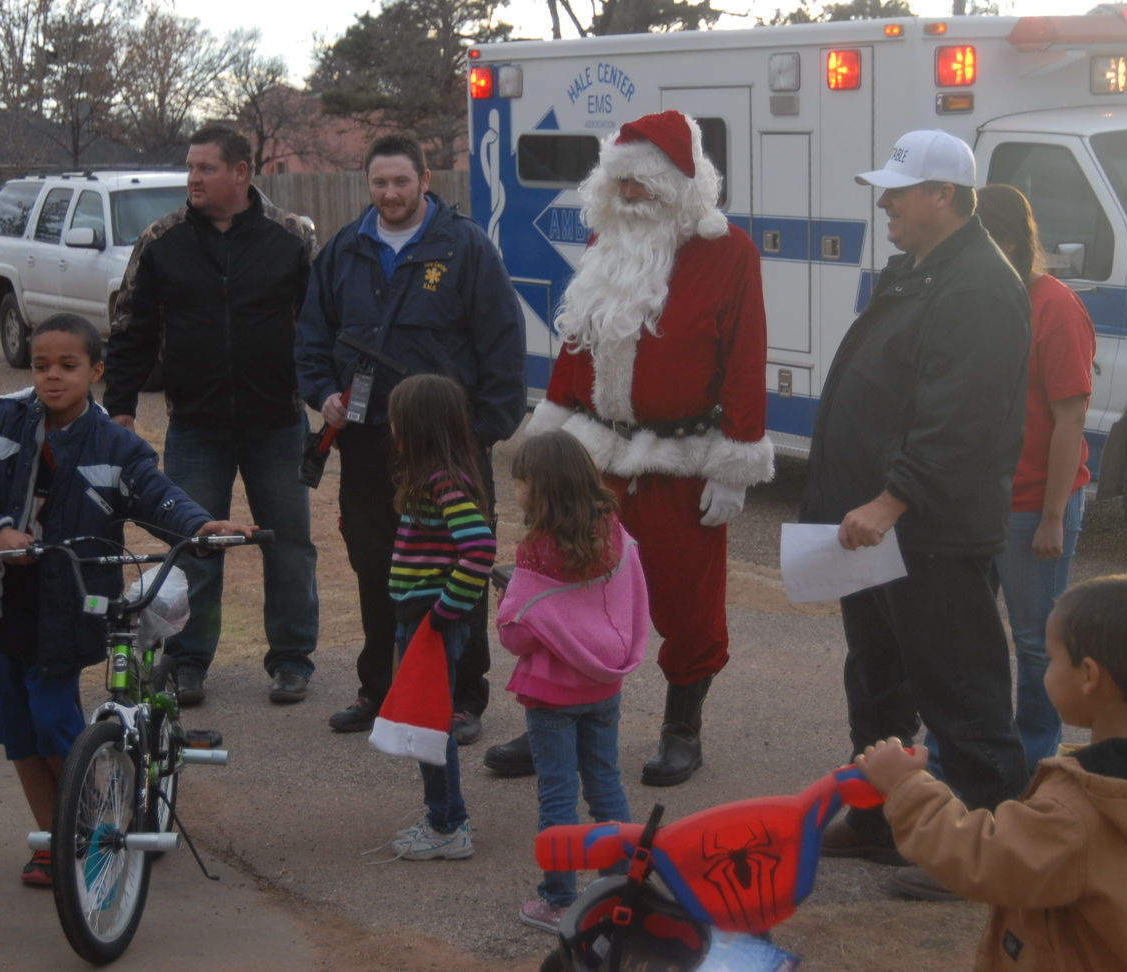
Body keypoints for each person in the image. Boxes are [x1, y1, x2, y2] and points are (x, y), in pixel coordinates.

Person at [494, 109, 771, 788]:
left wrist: (735, 460)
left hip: (680, 459)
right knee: (567, 584)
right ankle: (554, 721)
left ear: (683, 185)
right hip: (595, 456)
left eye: (644, 186)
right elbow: (577, 339)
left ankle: (682, 730)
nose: (632, 198)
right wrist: (548, 432)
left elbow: (744, 358)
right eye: (623, 185)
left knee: (688, 599)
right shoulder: (607, 240)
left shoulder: (728, 253)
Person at [0, 315, 249, 886]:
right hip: (1, 599)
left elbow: (156, 495)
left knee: (52, 718)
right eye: (41, 365)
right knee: (19, 733)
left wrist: (197, 527)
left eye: (68, 366)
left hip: (72, 600)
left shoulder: (116, 444)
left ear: (96, 371)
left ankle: (93, 819)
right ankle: (55, 839)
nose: (52, 377)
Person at [799, 130, 1032, 900]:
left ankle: (980, 845)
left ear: (944, 197)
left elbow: (956, 420)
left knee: (959, 687)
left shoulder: (980, 288)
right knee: (877, 678)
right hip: (877, 528)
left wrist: (891, 498)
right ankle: (883, 819)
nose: (886, 201)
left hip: (926, 529)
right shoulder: (919, 270)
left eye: (900, 189)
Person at [295, 134, 525, 744]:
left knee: (458, 566)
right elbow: (312, 338)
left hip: (449, 445)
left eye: (402, 181)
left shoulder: (465, 246)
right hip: (368, 442)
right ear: (366, 185)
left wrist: (482, 436)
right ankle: (379, 688)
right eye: (379, 183)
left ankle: (462, 697)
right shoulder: (345, 250)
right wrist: (324, 396)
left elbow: (502, 342)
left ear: (425, 180)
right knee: (377, 564)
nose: (391, 194)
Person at [856, 574, 1127, 969]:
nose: (1044, 671)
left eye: (1052, 660)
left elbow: (983, 857)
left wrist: (906, 788)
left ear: (1088, 676)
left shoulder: (1078, 811)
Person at [103, 124, 318, 708]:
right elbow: (130, 331)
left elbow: (320, 325)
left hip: (277, 423)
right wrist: (118, 408)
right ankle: (189, 660)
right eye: (191, 168)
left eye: (205, 168)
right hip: (196, 426)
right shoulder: (161, 240)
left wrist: (326, 392)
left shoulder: (292, 238)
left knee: (290, 544)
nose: (193, 179)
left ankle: (292, 659)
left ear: (241, 172)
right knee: (192, 545)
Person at [496, 430, 648, 933]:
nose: (514, 491)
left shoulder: (537, 551)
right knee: (606, 785)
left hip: (552, 696)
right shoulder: (614, 532)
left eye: (519, 483)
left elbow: (516, 634)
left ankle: (559, 899)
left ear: (541, 490)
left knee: (557, 794)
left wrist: (509, 606)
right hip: (605, 688)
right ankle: (622, 888)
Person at [979, 183, 1096, 775]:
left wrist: (1052, 516)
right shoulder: (982, 298)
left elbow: (1070, 416)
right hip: (981, 501)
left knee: (1034, 642)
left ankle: (1036, 762)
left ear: (1006, 241)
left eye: (981, 240)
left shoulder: (1053, 305)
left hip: (1032, 507)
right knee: (974, 637)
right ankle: (979, 750)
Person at [381, 374, 496, 860]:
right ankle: (445, 817)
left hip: (432, 622)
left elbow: (479, 547)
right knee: (427, 723)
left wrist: (445, 611)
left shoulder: (443, 480)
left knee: (431, 727)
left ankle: (448, 825)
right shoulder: (429, 476)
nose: (391, 428)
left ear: (418, 425)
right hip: (420, 617)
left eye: (396, 419)